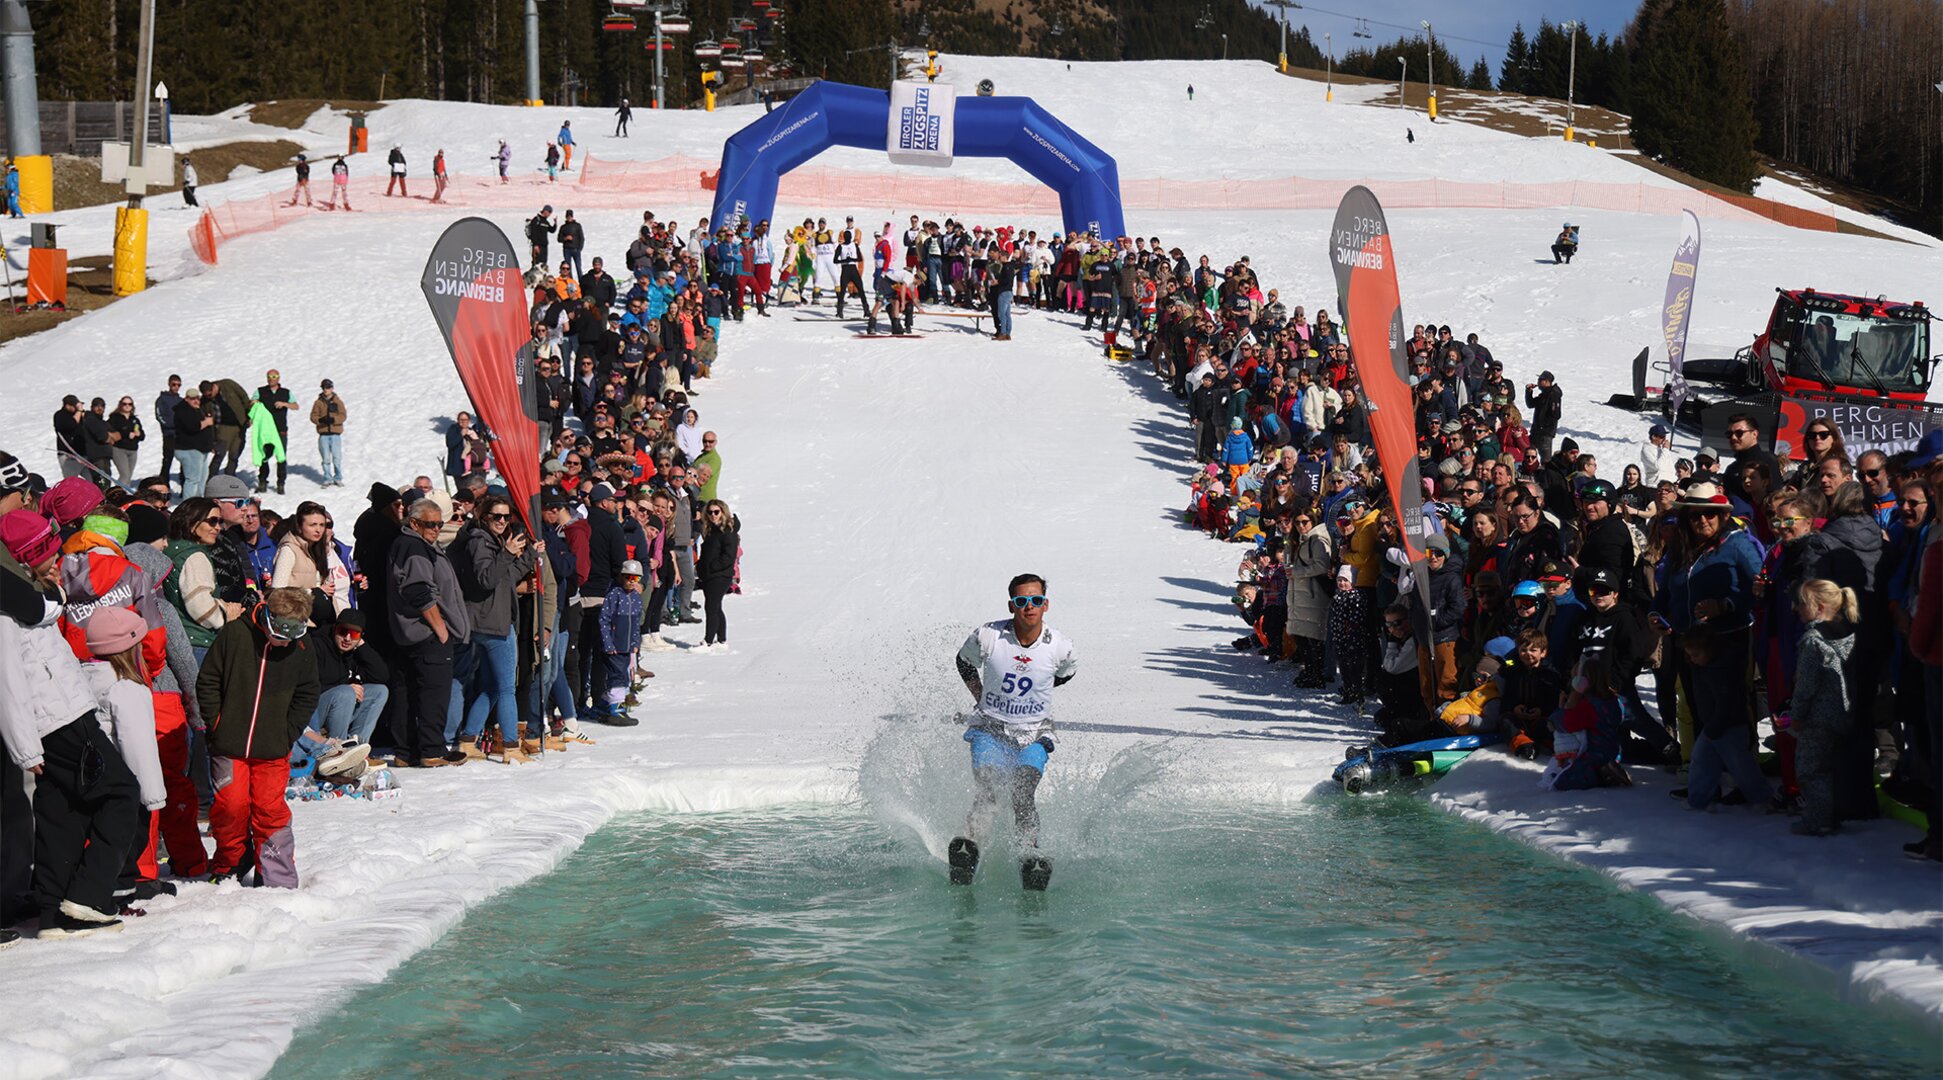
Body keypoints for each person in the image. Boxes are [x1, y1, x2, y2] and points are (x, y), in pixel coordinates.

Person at [0, 510, 146, 937]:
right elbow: (8, 682)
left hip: (63, 714)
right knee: (121, 793)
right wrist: (25, 748)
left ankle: (53, 911)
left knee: (62, 812)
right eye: (48, 554)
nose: (57, 560)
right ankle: (86, 897)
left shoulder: (34, 595)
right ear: (26, 557)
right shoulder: (9, 611)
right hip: (58, 721)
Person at [949, 573, 1079, 890]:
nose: (1029, 607)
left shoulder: (1060, 646)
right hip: (990, 730)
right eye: (1021, 601)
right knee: (990, 790)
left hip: (1034, 735)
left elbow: (1066, 673)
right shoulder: (988, 636)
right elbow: (964, 662)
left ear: (1045, 605)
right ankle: (969, 847)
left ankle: (1029, 856)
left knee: (1023, 793)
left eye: (1035, 600)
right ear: (1012, 605)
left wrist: (1036, 693)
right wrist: (980, 695)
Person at [197, 587, 320, 887]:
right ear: (267, 615)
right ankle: (230, 863)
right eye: (279, 631)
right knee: (230, 807)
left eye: (292, 633)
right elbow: (208, 679)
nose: (283, 640)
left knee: (270, 809)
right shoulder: (235, 635)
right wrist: (216, 723)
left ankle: (275, 875)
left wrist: (287, 732)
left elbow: (308, 693)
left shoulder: (302, 648)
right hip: (229, 744)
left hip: (273, 748)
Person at [388, 497, 472, 768]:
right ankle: (432, 750)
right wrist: (441, 629)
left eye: (439, 523)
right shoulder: (414, 547)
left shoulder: (413, 544)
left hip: (409, 633)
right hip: (425, 633)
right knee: (434, 693)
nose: (436, 529)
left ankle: (406, 751)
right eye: (430, 524)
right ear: (413, 523)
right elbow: (418, 590)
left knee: (408, 691)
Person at [1790, 579, 1859, 837]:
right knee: (1834, 766)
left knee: (1811, 769)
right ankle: (1836, 813)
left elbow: (1806, 685)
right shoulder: (1846, 632)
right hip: (1843, 712)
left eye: (1801, 604)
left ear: (1819, 607)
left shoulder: (1813, 641)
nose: (1796, 608)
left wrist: (1796, 716)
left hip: (1818, 716)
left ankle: (1818, 820)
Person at [594, 560, 645, 725]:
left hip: (627, 646)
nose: (631, 582)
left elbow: (636, 622)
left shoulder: (636, 598)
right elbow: (604, 620)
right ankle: (616, 709)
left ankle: (603, 704)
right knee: (617, 676)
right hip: (614, 646)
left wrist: (636, 643)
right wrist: (608, 643)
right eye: (628, 577)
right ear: (621, 577)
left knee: (624, 675)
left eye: (635, 579)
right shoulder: (614, 595)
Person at [697, 499, 737, 648]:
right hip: (708, 575)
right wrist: (701, 567)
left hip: (720, 575)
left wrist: (713, 566)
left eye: (716, 512)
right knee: (716, 607)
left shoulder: (727, 531)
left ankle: (708, 640)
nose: (713, 515)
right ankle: (721, 639)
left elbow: (729, 556)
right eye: (710, 512)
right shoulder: (709, 530)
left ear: (723, 512)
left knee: (711, 607)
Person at [255, 369, 296, 494]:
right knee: (264, 456)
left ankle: (281, 483)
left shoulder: (286, 392)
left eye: (274, 376)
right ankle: (262, 481)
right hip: (265, 430)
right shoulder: (260, 391)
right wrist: (255, 404)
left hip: (280, 430)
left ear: (278, 378)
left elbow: (295, 405)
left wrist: (284, 404)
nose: (271, 378)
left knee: (281, 457)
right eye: (269, 376)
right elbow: (252, 402)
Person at [310, 379, 347, 486]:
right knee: (325, 458)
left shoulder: (338, 402)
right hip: (323, 434)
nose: (326, 390)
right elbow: (313, 416)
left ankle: (338, 477)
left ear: (332, 388)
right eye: (324, 388)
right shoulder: (318, 402)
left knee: (336, 457)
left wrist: (334, 420)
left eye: (328, 388)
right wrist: (320, 420)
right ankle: (327, 477)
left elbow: (343, 415)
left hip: (335, 434)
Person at [106, 396, 145, 489]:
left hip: (133, 450)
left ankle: (124, 494)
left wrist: (138, 434)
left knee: (128, 476)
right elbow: (110, 431)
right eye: (125, 404)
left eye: (130, 404)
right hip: (119, 449)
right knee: (125, 474)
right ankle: (117, 495)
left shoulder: (134, 419)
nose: (127, 406)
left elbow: (143, 436)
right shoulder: (114, 418)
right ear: (120, 405)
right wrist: (126, 434)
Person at [153, 374, 184, 486]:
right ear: (169, 384)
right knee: (167, 460)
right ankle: (164, 483)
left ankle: (183, 483)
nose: (176, 387)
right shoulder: (162, 400)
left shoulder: (181, 400)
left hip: (181, 435)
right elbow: (160, 416)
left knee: (184, 461)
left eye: (179, 385)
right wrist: (172, 425)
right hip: (169, 434)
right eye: (174, 384)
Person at [558, 209, 585, 280]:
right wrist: (565, 238)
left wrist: (580, 248)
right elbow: (559, 239)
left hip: (576, 249)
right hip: (567, 250)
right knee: (567, 268)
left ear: (572, 217)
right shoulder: (563, 227)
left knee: (578, 267)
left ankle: (582, 283)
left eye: (570, 216)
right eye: (568, 216)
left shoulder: (577, 226)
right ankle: (570, 282)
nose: (569, 218)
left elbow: (581, 238)